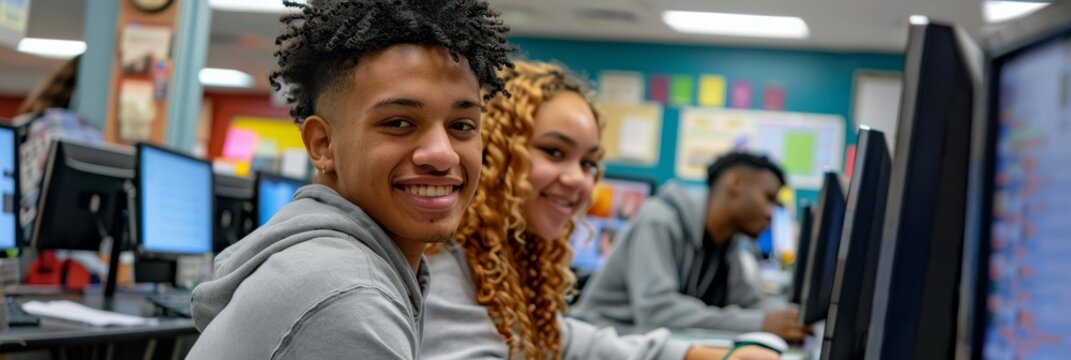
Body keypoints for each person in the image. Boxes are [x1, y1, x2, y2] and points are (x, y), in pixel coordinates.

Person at [187, 0, 513, 358]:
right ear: (322, 144)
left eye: (462, 126)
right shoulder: (350, 298)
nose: (443, 154)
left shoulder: (342, 265)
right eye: (399, 123)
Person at [420, 61, 778, 360]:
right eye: (554, 152)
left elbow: (563, 339)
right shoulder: (441, 267)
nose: (578, 179)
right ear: (493, 152)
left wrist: (703, 355)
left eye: (588, 163)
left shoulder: (503, 260)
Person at [571, 152, 810, 341]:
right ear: (735, 182)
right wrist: (760, 323)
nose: (770, 213)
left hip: (653, 345)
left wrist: (793, 318)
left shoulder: (728, 242)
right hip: (602, 343)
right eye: (768, 198)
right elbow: (657, 312)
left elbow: (747, 301)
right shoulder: (660, 220)